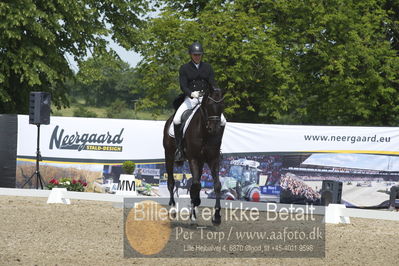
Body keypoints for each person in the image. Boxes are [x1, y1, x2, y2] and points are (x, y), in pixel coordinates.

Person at [173, 42, 226, 162]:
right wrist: (191, 93)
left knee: (223, 120)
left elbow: (212, 83)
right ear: (191, 55)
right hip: (191, 98)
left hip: (206, 98)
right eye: (195, 54)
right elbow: (183, 85)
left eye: (199, 54)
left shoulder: (208, 67)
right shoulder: (184, 68)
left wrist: (216, 93)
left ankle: (218, 148)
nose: (197, 56)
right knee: (176, 119)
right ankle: (180, 149)